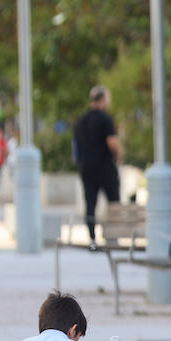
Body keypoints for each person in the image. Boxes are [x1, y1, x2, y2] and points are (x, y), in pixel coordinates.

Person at [73, 86, 122, 248]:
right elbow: (112, 143)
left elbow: (76, 148)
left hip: (86, 167)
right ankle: (113, 237)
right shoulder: (105, 119)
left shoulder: (81, 121)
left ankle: (92, 239)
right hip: (105, 166)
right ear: (103, 100)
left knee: (90, 203)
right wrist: (118, 158)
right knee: (113, 201)